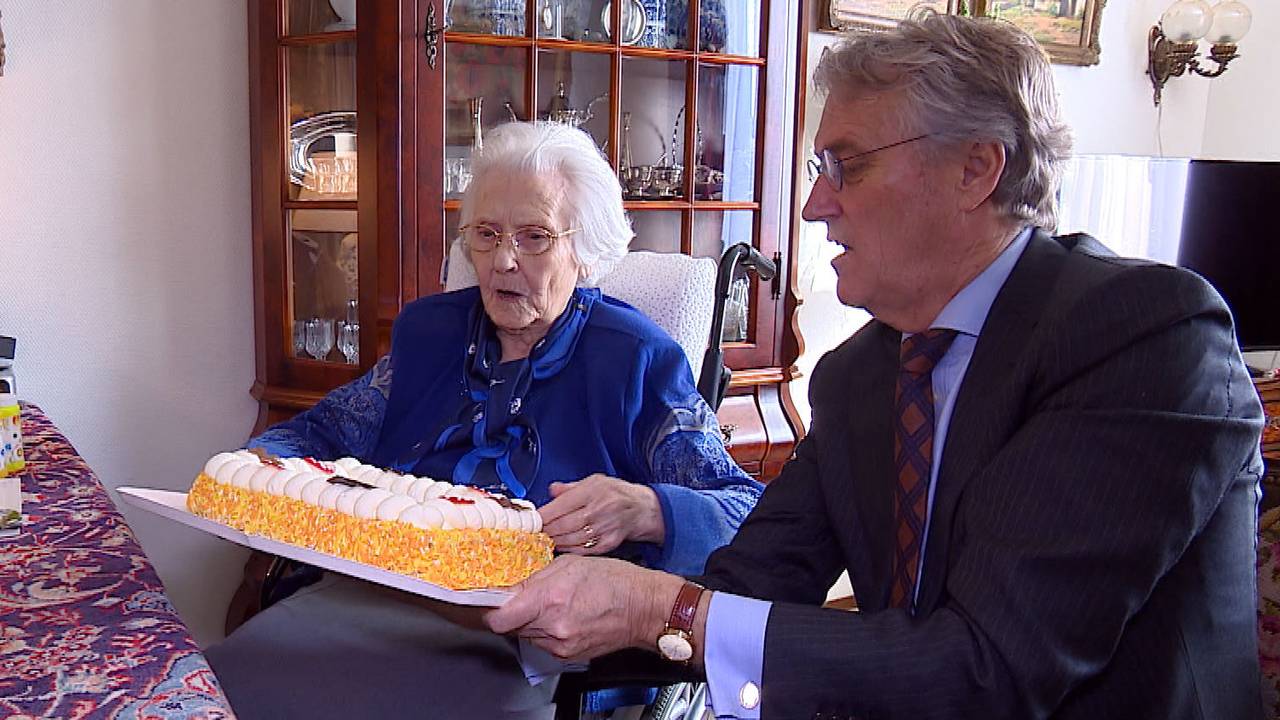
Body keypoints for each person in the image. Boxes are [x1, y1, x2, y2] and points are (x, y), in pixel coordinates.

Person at [485, 15, 1266, 720]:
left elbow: (989, 673)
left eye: (844, 165)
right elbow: (747, 588)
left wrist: (663, 610)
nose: (812, 205)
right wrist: (483, 608)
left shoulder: (1146, 338)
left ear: (976, 170)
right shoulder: (860, 371)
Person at [205, 121, 762, 719]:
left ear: (585, 247)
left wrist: (646, 508)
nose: (503, 261)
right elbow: (313, 436)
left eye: (535, 237)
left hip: (523, 643)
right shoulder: (428, 334)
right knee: (208, 691)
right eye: (487, 234)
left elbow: (745, 511)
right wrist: (252, 478)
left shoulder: (636, 359)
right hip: (369, 597)